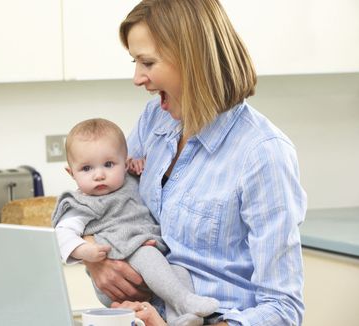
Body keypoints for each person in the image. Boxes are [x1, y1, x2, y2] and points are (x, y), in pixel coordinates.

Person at [85, 1, 307, 326]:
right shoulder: (154, 121)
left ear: (193, 59)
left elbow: (283, 309)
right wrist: (95, 260)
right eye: (135, 62)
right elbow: (102, 200)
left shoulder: (262, 153)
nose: (137, 78)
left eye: (147, 62)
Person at [52, 118, 219, 326]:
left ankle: (181, 319)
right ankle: (185, 301)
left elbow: (147, 175)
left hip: (152, 265)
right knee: (146, 253)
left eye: (109, 164)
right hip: (117, 277)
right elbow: (61, 235)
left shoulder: (130, 181)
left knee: (179, 271)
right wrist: (85, 251)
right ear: (71, 173)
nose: (99, 175)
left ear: (124, 162)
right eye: (86, 168)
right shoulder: (80, 204)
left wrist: (139, 166)